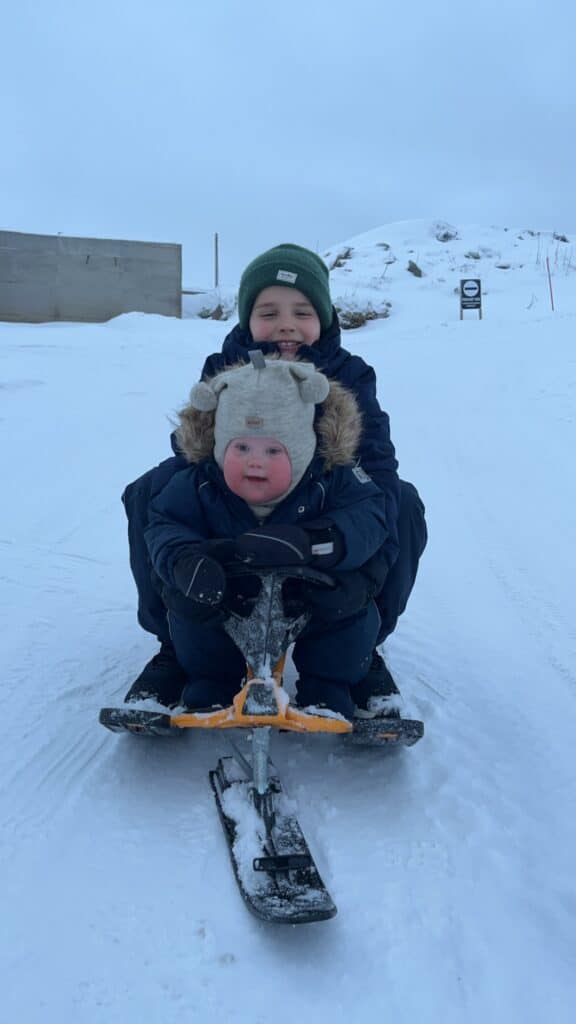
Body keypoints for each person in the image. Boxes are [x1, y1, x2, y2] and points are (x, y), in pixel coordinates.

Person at [123, 243, 427, 710]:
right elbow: (196, 448)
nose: (286, 324)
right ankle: (173, 646)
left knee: (400, 502)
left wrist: (356, 559)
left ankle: (365, 650)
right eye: (269, 312)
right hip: (239, 497)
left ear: (323, 319)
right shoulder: (225, 366)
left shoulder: (349, 374)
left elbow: (376, 467)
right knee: (150, 492)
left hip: (319, 504)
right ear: (247, 320)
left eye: (302, 312)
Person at [144, 357, 391, 720]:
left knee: (347, 616)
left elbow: (369, 518)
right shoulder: (199, 483)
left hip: (308, 598)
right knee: (190, 609)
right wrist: (184, 561)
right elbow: (165, 524)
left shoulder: (330, 480)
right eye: (241, 448)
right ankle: (211, 681)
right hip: (228, 594)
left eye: (273, 451)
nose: (254, 463)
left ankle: (329, 685)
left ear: (303, 449)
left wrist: (317, 543)